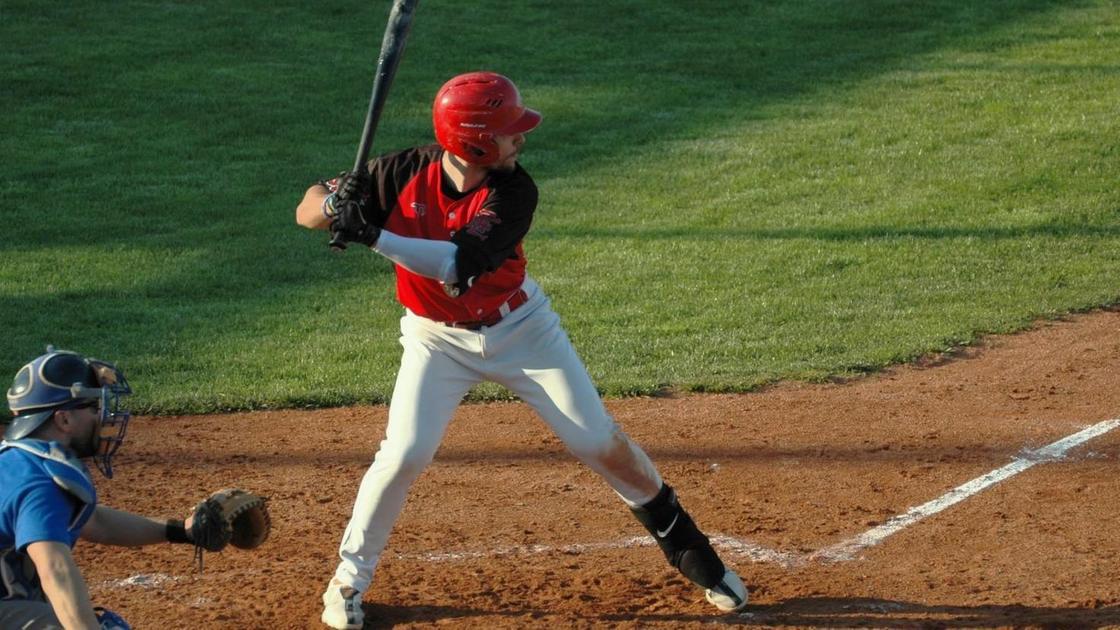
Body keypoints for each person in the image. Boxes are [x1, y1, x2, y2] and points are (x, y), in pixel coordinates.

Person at [297, 71, 748, 629]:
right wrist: (336, 205)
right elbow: (307, 207)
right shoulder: (400, 171)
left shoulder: (513, 191)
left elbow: (453, 265)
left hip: (523, 330)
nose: (521, 139)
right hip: (435, 338)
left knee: (595, 439)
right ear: (474, 140)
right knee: (404, 453)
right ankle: (346, 583)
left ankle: (688, 547)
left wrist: (371, 236)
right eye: (509, 132)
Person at [0, 348, 203, 630]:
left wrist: (180, 530)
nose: (103, 417)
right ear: (64, 419)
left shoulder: (21, 462)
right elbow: (55, 570)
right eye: (93, 409)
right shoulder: (39, 483)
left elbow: (94, 522)